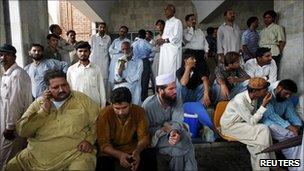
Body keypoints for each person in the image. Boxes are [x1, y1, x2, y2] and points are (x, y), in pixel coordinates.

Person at [5, 69, 100, 170]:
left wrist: (89, 140)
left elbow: (98, 120)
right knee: (11, 166)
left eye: (64, 85)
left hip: (74, 154)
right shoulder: (39, 104)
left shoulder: (81, 99)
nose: (61, 90)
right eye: (55, 87)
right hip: (36, 155)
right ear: (48, 89)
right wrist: (44, 111)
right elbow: (22, 131)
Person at [142, 73, 198, 171]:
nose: (175, 91)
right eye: (171, 89)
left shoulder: (176, 98)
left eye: (175, 88)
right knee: (185, 142)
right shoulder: (148, 105)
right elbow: (146, 130)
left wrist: (173, 132)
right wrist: (164, 129)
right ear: (160, 90)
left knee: (179, 149)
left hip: (174, 135)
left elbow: (177, 121)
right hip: (155, 139)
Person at [220, 77, 275, 171]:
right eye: (264, 90)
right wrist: (263, 105)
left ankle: (270, 166)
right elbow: (252, 121)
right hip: (230, 127)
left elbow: (252, 118)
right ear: (254, 91)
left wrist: (262, 105)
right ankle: (273, 165)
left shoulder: (255, 97)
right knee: (263, 131)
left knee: (258, 143)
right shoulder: (240, 100)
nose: (266, 92)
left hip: (243, 124)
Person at [97, 87, 150, 171]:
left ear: (130, 104)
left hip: (133, 148)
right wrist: (119, 155)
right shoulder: (104, 114)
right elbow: (103, 143)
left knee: (149, 156)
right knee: (102, 163)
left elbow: (144, 138)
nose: (121, 112)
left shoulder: (139, 112)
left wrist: (137, 152)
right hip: (111, 151)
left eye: (124, 107)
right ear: (111, 105)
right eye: (117, 108)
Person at [0, 44, 32, 169]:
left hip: (13, 127)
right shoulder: (7, 75)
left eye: (6, 55)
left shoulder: (17, 75)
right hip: (7, 123)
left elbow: (16, 104)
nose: (3, 58)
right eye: (1, 55)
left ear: (14, 57)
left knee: (7, 161)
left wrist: (10, 127)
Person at [261, 79, 302, 166]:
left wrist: (297, 126)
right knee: (291, 136)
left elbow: (293, 115)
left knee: (293, 137)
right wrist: (291, 128)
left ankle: (296, 163)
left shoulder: (286, 101)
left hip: (280, 126)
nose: (288, 96)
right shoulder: (267, 95)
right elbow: (271, 115)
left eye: (290, 95)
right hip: (264, 124)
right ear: (279, 88)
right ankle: (295, 165)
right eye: (286, 93)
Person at [67, 41, 106, 107]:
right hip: (77, 105)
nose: (83, 53)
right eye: (80, 51)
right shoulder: (71, 69)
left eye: (85, 51)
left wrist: (103, 106)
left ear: (90, 53)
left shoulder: (96, 68)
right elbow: (68, 89)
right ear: (76, 52)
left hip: (94, 105)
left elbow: (101, 88)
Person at [156, 4, 183, 78]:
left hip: (172, 52)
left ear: (172, 10)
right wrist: (160, 41)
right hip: (165, 52)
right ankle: (165, 88)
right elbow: (165, 37)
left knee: (172, 71)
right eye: (164, 10)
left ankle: (173, 88)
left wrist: (164, 40)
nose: (165, 11)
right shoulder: (167, 22)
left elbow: (176, 37)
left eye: (166, 9)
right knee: (164, 70)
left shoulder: (177, 22)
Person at [90, 22, 111, 101]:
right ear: (98, 28)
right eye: (100, 27)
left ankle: (105, 99)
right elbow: (91, 48)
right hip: (94, 60)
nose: (102, 29)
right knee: (94, 78)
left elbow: (109, 50)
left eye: (103, 27)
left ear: (106, 29)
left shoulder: (108, 38)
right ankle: (95, 98)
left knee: (104, 79)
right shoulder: (93, 37)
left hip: (104, 61)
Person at [132, 29, 154, 101]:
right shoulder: (146, 43)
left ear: (138, 35)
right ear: (145, 35)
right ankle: (144, 99)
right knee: (145, 81)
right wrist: (149, 56)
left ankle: (136, 97)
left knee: (136, 80)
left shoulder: (133, 43)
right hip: (144, 62)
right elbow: (154, 51)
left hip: (135, 63)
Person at [108, 26, 130, 91]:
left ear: (126, 33)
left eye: (124, 32)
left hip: (122, 62)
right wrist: (119, 51)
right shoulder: (115, 40)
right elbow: (110, 50)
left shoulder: (127, 41)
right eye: (121, 31)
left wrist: (116, 51)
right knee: (112, 80)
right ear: (119, 32)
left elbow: (128, 52)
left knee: (120, 80)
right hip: (114, 62)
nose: (123, 33)